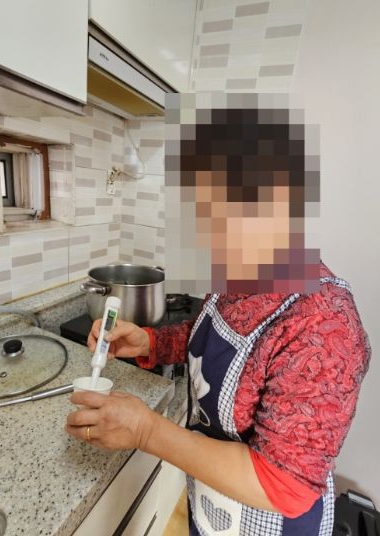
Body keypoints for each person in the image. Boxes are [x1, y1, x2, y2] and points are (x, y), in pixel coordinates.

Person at [66, 101, 371, 536]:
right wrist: (150, 342)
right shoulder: (239, 273)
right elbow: (207, 334)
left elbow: (283, 484)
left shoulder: (324, 323)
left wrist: (147, 431)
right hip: (213, 511)